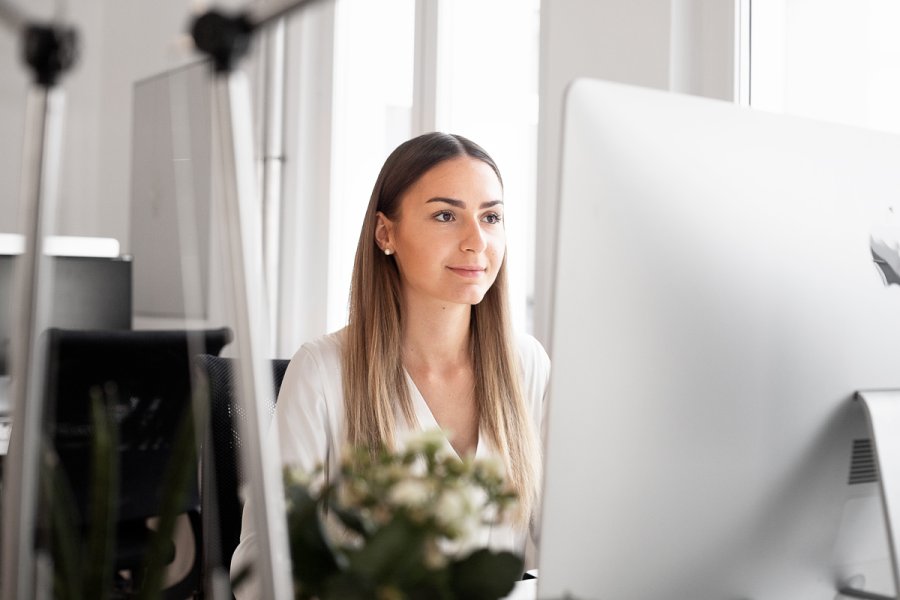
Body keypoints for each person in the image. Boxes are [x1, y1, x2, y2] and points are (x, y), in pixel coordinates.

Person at [230, 132, 550, 598]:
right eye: (446, 215)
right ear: (386, 233)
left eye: (491, 217)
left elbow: (564, 547)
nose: (476, 241)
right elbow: (261, 568)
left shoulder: (527, 365)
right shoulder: (322, 372)